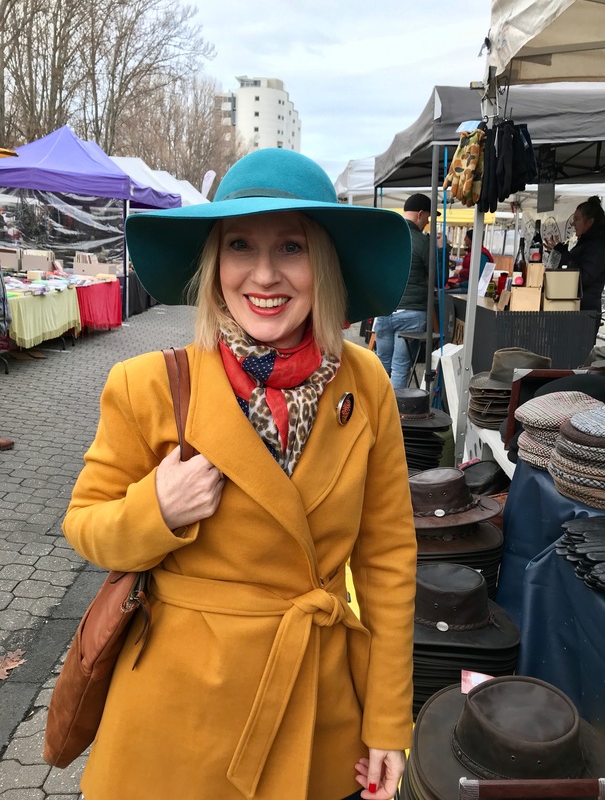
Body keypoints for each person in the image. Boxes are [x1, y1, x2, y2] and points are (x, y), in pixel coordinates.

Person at [62, 149, 418, 800]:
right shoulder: (143, 385)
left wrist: (387, 721)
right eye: (239, 245)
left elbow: (387, 562)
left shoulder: (365, 384)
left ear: (323, 263)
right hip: (176, 724)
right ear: (213, 262)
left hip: (315, 708)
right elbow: (86, 528)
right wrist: (156, 511)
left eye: (290, 246)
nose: (263, 274)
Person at [373, 192, 444, 388]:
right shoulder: (423, 242)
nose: (427, 222)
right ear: (420, 214)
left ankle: (375, 409)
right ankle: (394, 414)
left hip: (384, 311)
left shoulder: (385, 238)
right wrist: (439, 248)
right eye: (428, 217)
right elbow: (439, 278)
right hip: (412, 314)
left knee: (379, 366)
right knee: (400, 366)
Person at [546, 195, 605, 318]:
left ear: (590, 222)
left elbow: (582, 278)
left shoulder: (598, 247)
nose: (573, 223)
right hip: (576, 311)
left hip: (585, 314)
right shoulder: (586, 243)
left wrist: (562, 254)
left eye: (577, 219)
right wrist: (558, 254)